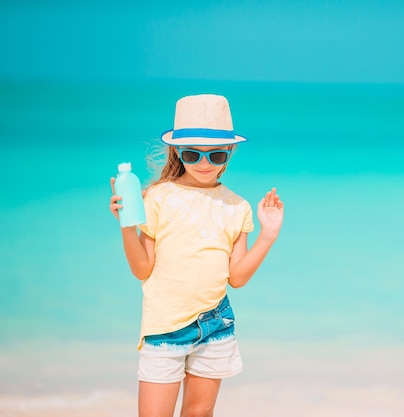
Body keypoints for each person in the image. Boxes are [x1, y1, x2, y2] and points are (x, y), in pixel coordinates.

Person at [109, 94, 284, 417]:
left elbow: (238, 277)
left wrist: (268, 234)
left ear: (230, 152)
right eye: (193, 154)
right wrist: (125, 227)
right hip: (164, 328)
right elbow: (142, 268)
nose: (204, 164)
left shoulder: (237, 207)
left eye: (216, 154)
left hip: (215, 324)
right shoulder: (158, 198)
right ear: (178, 152)